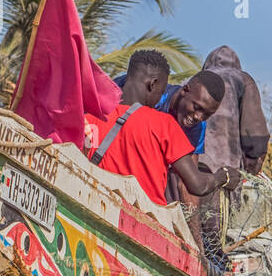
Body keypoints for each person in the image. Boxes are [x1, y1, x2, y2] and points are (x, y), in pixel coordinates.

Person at [86, 52, 241, 205]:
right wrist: (223, 177)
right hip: (141, 208)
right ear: (154, 86)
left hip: (98, 195)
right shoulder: (165, 124)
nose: (198, 117)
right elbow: (197, 184)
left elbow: (185, 186)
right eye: (196, 107)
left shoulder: (91, 117)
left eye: (207, 115)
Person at [200, 46, 270, 173]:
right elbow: (254, 133)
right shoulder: (242, 79)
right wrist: (252, 167)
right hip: (224, 170)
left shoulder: (190, 81)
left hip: (185, 168)